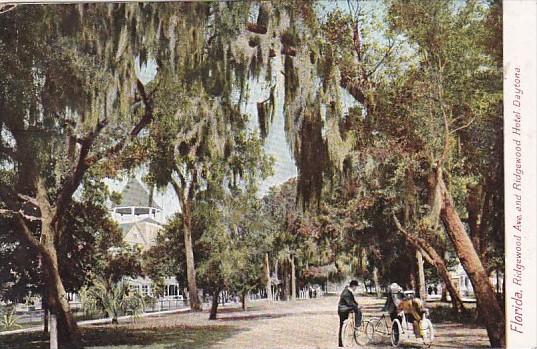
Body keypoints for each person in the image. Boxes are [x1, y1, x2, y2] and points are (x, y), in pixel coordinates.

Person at [338, 280, 362, 347]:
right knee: (358, 311)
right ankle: (357, 326)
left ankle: (341, 343)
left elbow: (353, 301)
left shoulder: (348, 291)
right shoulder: (346, 292)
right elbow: (350, 303)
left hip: (343, 309)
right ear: (353, 286)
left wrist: (357, 305)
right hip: (343, 309)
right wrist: (357, 306)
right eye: (356, 287)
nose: (356, 288)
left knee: (342, 325)